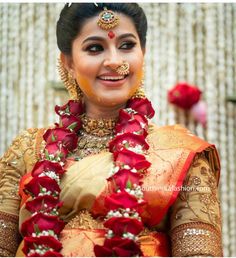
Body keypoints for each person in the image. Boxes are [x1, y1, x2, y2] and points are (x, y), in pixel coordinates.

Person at [0, 3, 223, 257]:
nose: (115, 62)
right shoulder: (28, 149)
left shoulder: (182, 154)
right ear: (69, 63)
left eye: (127, 45)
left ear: (143, 53)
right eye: (95, 48)